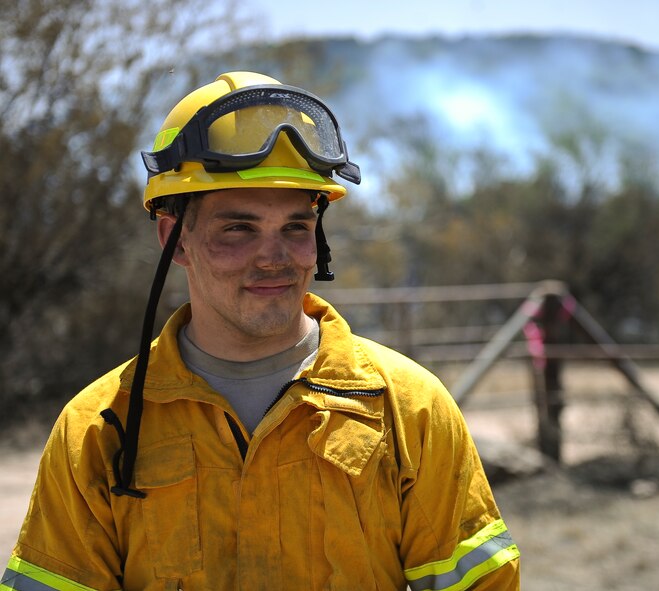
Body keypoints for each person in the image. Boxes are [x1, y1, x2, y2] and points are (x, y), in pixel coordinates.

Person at [3, 72, 520, 590]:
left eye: (295, 227)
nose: (273, 258)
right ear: (176, 240)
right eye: (239, 228)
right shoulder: (99, 429)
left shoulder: (408, 408)